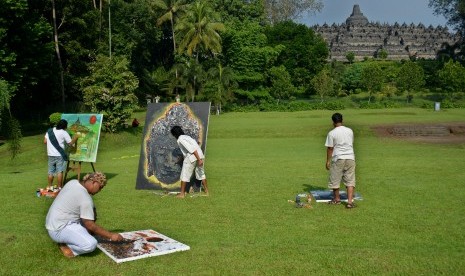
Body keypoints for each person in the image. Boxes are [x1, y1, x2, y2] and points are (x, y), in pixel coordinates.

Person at [45, 172, 123, 258]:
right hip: (59, 229)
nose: (99, 191)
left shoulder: (73, 182)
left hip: (53, 223)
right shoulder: (85, 198)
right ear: (94, 182)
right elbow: (90, 225)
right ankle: (68, 247)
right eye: (100, 187)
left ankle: (70, 238)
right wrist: (111, 236)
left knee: (90, 225)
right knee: (91, 244)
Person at [325, 113, 356, 208]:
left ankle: (336, 199)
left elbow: (330, 148)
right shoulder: (350, 130)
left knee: (335, 179)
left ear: (333, 122)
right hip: (350, 157)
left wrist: (328, 161)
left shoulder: (332, 133)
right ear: (342, 120)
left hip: (338, 157)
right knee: (350, 180)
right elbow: (351, 142)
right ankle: (350, 202)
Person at [170, 126, 209, 198]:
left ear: (175, 134)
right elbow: (188, 150)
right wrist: (199, 159)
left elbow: (191, 149)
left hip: (192, 157)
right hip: (199, 155)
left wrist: (199, 160)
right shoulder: (187, 137)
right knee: (201, 173)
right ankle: (207, 191)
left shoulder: (180, 139)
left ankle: (182, 194)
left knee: (184, 175)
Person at [44, 119, 78, 189]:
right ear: (65, 126)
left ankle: (49, 186)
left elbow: (45, 141)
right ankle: (59, 187)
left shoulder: (50, 130)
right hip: (59, 155)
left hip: (50, 154)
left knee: (51, 172)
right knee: (59, 171)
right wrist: (75, 138)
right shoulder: (64, 132)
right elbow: (70, 144)